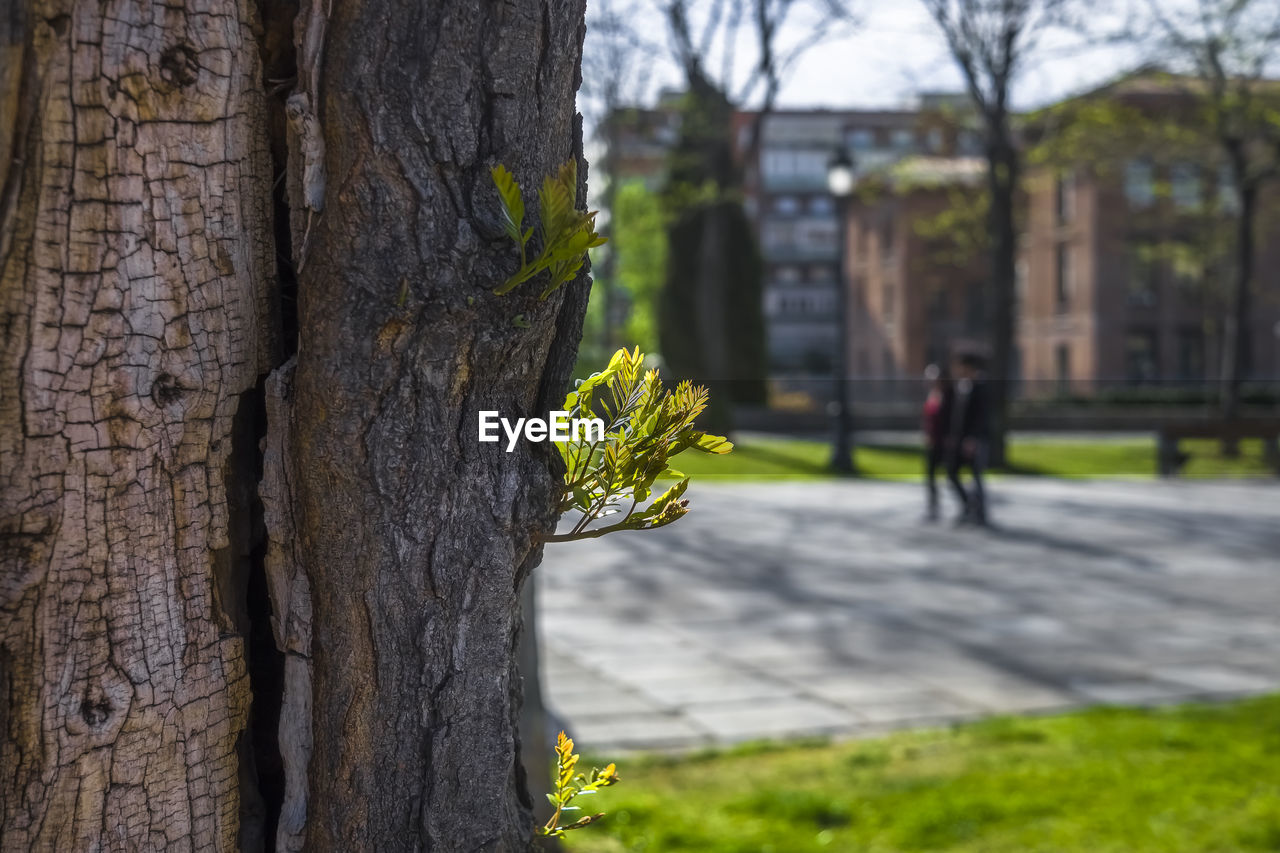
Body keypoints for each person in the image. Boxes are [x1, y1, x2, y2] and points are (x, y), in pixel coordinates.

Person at [947, 351, 990, 526]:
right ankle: (968, 506)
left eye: (961, 367)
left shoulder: (980, 386)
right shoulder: (963, 386)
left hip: (974, 440)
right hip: (961, 439)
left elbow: (981, 416)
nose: (958, 370)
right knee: (952, 472)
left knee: (976, 476)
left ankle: (980, 513)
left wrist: (973, 437)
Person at [921, 363, 954, 521]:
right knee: (930, 476)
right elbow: (928, 418)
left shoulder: (949, 395)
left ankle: (968, 504)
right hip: (933, 441)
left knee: (952, 475)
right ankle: (933, 507)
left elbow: (951, 419)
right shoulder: (931, 394)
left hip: (945, 441)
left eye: (932, 377)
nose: (930, 380)